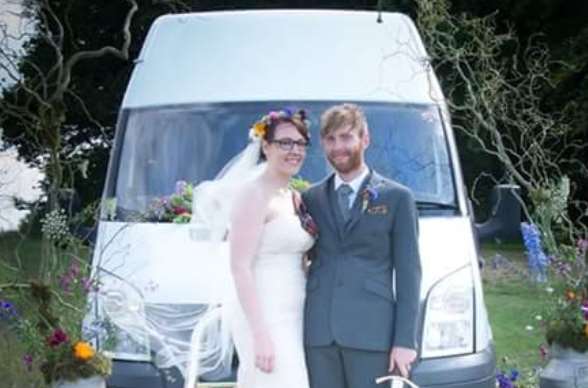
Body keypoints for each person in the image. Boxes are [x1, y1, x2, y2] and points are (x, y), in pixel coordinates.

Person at [302, 103, 422, 388]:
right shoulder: (310, 198)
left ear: (364, 139)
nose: (338, 147)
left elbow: (409, 273)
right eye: (330, 139)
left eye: (346, 137)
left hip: (372, 333)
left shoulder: (397, 198)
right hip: (319, 334)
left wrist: (405, 340)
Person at [227, 109, 316, 388]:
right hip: (265, 315)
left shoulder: (294, 197)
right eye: (285, 143)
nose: (294, 151)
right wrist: (260, 334)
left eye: (300, 144)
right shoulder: (253, 194)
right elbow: (239, 267)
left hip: (296, 313)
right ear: (266, 146)